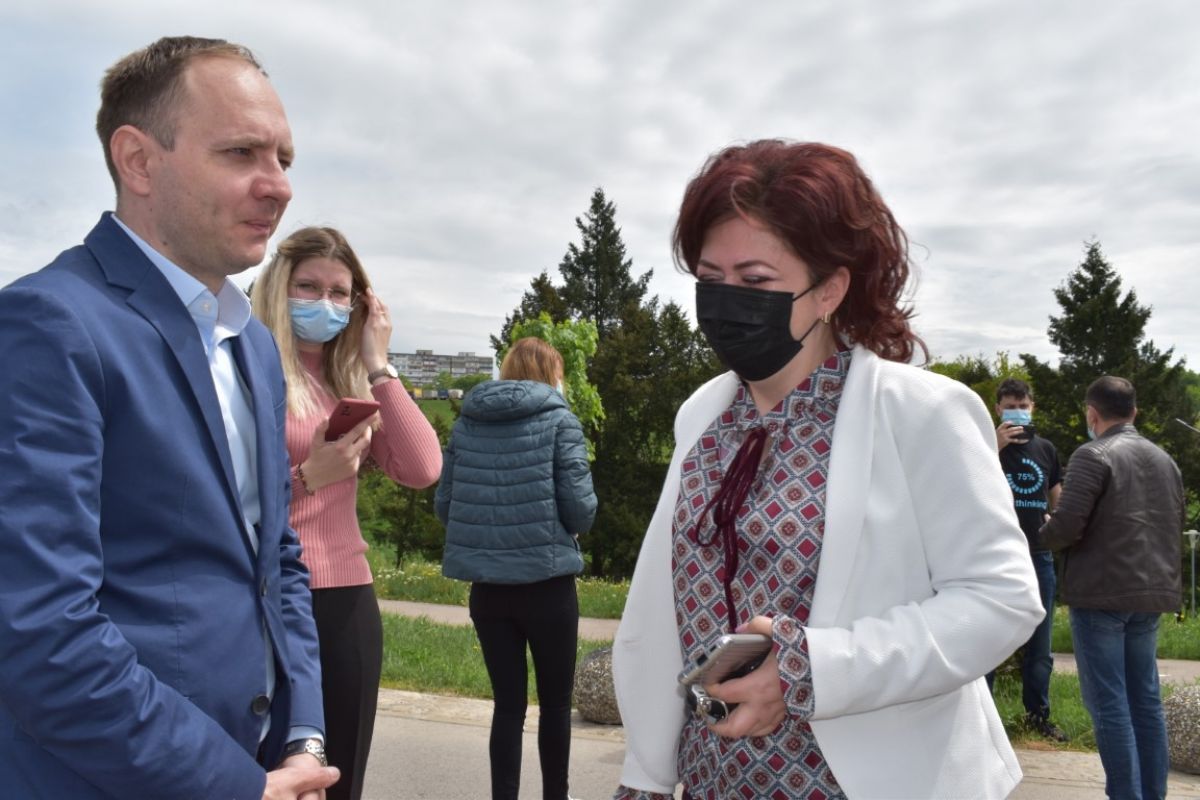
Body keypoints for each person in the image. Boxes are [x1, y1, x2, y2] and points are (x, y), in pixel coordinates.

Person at [611, 140, 1044, 799]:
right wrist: (646, 770)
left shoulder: (922, 412)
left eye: (756, 280)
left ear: (830, 290)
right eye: (710, 278)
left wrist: (816, 669)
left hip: (866, 782)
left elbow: (1001, 600)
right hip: (712, 776)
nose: (727, 301)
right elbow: (662, 608)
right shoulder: (701, 414)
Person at [0, 36, 339, 798]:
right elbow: (41, 633)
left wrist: (302, 737)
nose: (279, 187)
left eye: (284, 158)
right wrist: (233, 785)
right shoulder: (48, 325)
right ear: (139, 161)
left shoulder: (253, 344)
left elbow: (277, 560)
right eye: (242, 152)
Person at [251, 226, 443, 800]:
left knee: (338, 779)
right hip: (261, 595)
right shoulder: (247, 365)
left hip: (344, 599)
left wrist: (378, 364)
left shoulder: (349, 380)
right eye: (309, 288)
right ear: (279, 288)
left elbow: (422, 468)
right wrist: (307, 478)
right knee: (261, 775)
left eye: (339, 293)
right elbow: (222, 496)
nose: (325, 303)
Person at [436, 337, 597, 800]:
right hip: (548, 585)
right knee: (555, 706)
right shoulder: (561, 421)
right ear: (553, 376)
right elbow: (580, 510)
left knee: (507, 707)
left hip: (488, 589)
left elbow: (445, 506)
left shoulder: (467, 423)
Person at [1040, 376, 1184, 800]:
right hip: (1151, 593)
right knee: (1145, 702)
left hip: (1101, 594)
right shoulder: (1165, 459)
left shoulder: (1092, 454)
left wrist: (1044, 531)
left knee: (1110, 704)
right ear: (1134, 412)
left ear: (1092, 414)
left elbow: (1067, 526)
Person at [988, 377, 1067, 740]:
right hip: (995, 554)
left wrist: (1058, 519)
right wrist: (994, 445)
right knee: (988, 637)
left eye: (1022, 405)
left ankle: (1038, 717)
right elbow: (966, 480)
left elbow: (1057, 495)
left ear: (1032, 407)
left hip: (1039, 555)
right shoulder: (984, 443)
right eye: (1010, 406)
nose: (1017, 411)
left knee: (1040, 644)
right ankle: (984, 719)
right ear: (998, 408)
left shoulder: (1046, 449)